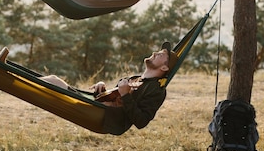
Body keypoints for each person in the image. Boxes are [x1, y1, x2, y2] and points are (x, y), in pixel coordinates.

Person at [40, 42, 178, 135]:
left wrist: (126, 96)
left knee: (53, 81)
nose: (155, 53)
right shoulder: (136, 78)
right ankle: (18, 81)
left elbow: (141, 121)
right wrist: (102, 89)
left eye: (160, 55)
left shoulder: (157, 90)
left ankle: (17, 82)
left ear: (164, 68)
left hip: (103, 117)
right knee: (53, 80)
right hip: (97, 106)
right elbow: (114, 97)